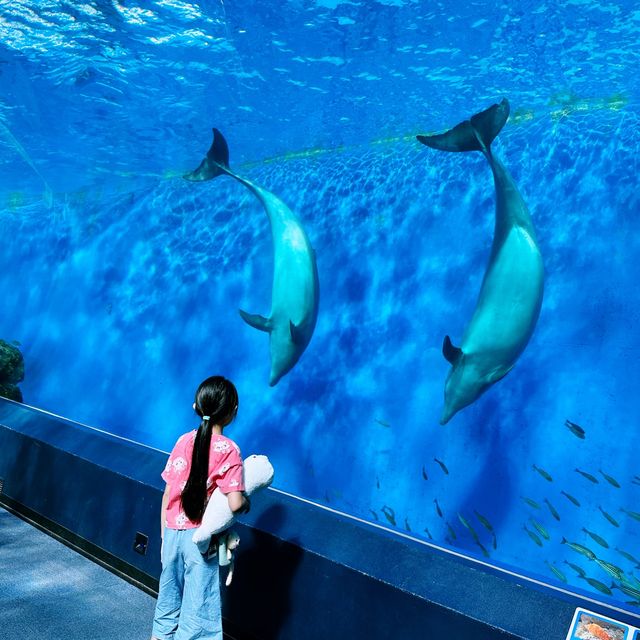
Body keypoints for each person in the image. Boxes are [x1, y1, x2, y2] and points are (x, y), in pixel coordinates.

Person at [151, 375, 249, 640]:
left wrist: (164, 536)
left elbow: (168, 491)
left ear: (196, 407)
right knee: (199, 611)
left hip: (172, 533)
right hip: (200, 541)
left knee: (167, 600)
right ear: (232, 412)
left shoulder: (182, 441)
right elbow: (235, 502)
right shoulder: (229, 450)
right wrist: (245, 501)